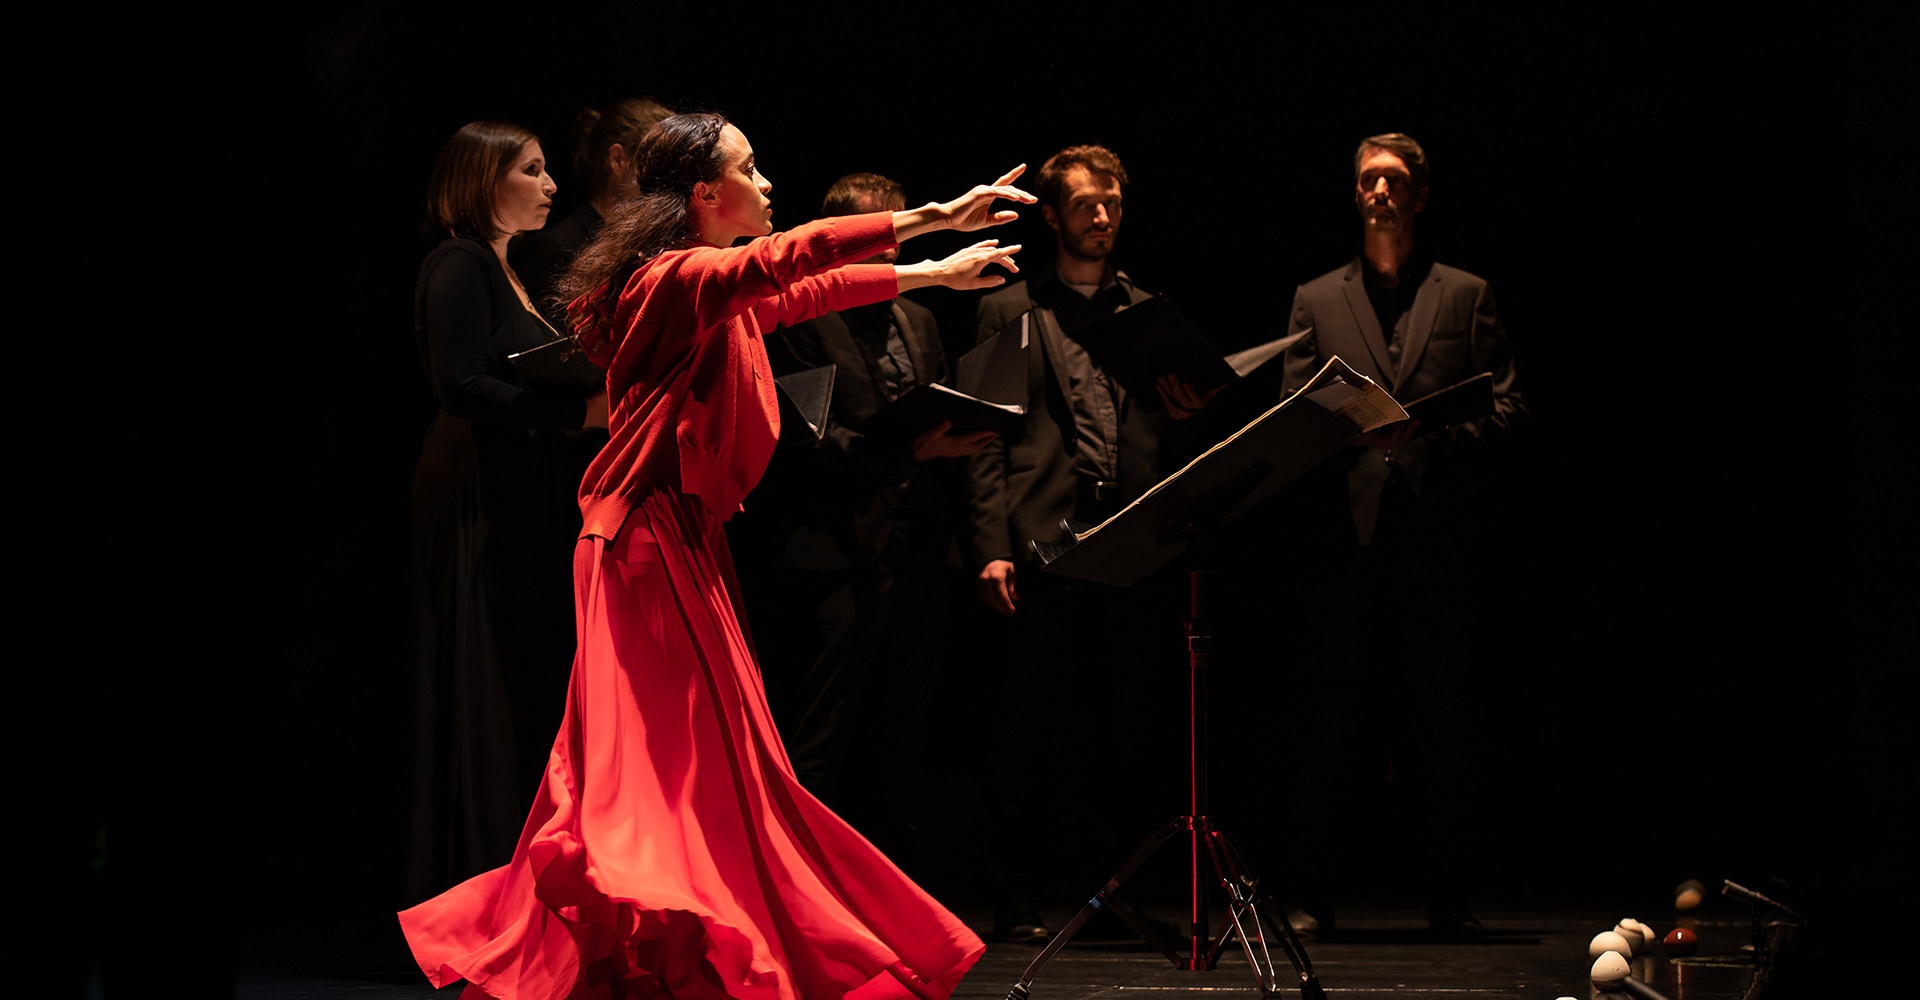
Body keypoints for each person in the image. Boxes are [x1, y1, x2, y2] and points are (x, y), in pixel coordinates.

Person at [398, 111, 1034, 1000]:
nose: (768, 183)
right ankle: (660, 925)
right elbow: (777, 265)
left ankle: (662, 929)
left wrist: (932, 271)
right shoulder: (676, 276)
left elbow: (792, 295)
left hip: (676, 538)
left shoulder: (699, 286)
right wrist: (928, 218)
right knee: (670, 767)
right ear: (705, 194)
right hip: (641, 544)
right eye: (750, 167)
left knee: (708, 762)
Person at [1267, 132, 1528, 940]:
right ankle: (1315, 895)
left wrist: (1424, 438)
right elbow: (1289, 418)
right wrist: (1338, 434)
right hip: (1344, 547)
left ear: (1419, 195)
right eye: (1366, 180)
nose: (1379, 192)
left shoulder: (1465, 293)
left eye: (1393, 180)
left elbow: (1509, 409)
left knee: (1442, 726)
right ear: (1354, 196)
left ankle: (1449, 897)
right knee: (1329, 726)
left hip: (1436, 545)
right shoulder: (1317, 297)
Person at [962, 143, 1221, 943]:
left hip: (1129, 542)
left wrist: (1188, 411)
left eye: (1112, 203)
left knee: (1123, 728)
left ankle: (1110, 894)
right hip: (1042, 542)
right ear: (1053, 214)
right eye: (1086, 204)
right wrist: (990, 543)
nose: (1102, 217)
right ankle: (1013, 892)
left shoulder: (1143, 308)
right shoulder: (1012, 309)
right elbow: (984, 435)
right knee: (1026, 727)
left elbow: (1173, 427)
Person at [736, 172, 997, 858]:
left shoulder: (919, 316)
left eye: (893, 248)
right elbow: (801, 434)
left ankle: (887, 879)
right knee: (823, 726)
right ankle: (802, 874)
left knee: (904, 725)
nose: (890, 265)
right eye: (877, 249)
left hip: (914, 546)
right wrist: (911, 447)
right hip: (832, 547)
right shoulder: (797, 312)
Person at [405, 120, 610, 902]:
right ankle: (470, 881)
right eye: (532, 169)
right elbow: (459, 383)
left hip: (515, 485)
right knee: (478, 667)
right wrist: (575, 417)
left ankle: (513, 874)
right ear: (482, 181)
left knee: (509, 669)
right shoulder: (459, 262)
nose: (550, 183)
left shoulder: (509, 267)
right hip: (472, 486)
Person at [513, 96, 675, 330]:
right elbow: (550, 356)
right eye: (657, 163)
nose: (670, 179)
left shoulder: (656, 245)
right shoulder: (554, 250)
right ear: (618, 159)